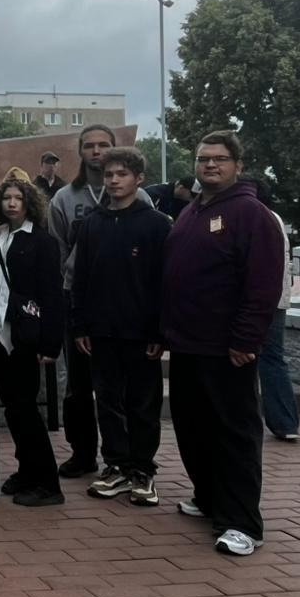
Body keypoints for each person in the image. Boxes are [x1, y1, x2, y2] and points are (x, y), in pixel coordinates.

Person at [163, 131, 284, 557]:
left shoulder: (251, 214)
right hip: (187, 344)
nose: (210, 165)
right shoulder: (192, 211)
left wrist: (246, 338)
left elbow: (263, 284)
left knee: (234, 435)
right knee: (193, 428)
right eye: (203, 159)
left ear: (238, 164)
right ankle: (209, 496)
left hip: (227, 349)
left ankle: (242, 523)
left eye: (219, 159)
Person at [48, 124, 153, 479]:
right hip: (77, 300)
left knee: (122, 387)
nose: (97, 151)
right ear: (80, 151)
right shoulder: (64, 198)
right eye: (89, 146)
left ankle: (128, 459)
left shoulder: (141, 199)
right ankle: (83, 454)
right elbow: (59, 249)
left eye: (103, 145)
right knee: (78, 385)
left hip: (126, 303)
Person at [71, 147, 171, 507]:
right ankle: (116, 464)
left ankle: (142, 469)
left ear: (138, 179)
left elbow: (164, 281)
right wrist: (80, 324)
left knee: (142, 404)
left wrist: (159, 331)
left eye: (122, 174)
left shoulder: (157, 224)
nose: (114, 181)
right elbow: (80, 277)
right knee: (108, 401)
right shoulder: (92, 223)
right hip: (101, 330)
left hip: (141, 333)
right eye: (109, 175)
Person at [0, 168, 65, 507]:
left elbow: (52, 294)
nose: (11, 203)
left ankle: (48, 483)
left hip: (26, 336)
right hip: (0, 334)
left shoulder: (42, 242)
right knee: (14, 409)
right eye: (6, 198)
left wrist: (51, 343)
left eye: (18, 198)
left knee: (26, 409)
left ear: (29, 203)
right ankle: (26, 470)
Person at [243, 177, 300, 442]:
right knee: (273, 359)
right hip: (276, 300)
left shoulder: (257, 217)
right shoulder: (273, 217)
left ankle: (269, 420)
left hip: (261, 301)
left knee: (257, 359)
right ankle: (286, 423)